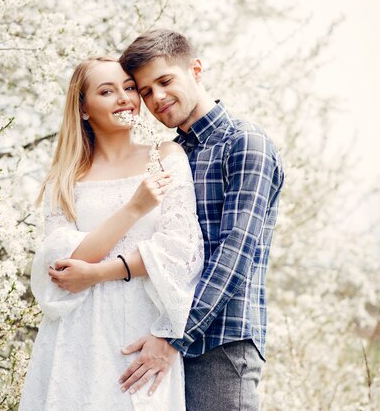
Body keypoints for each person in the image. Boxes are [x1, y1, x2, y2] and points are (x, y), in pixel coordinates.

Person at [18, 56, 204, 411]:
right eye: (107, 91)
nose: (125, 98)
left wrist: (98, 272)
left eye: (130, 88)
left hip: (142, 330)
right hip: (75, 335)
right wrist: (134, 208)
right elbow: (64, 267)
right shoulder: (65, 178)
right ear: (84, 108)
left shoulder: (166, 156)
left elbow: (180, 251)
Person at [115, 30, 285, 411]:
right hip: (162, 337)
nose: (156, 98)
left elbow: (234, 253)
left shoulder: (245, 143)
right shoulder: (169, 156)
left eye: (165, 81)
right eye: (145, 91)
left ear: (195, 70)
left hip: (221, 344)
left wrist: (175, 335)